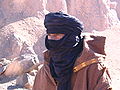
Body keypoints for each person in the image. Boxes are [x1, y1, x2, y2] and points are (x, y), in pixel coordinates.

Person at [32, 12, 112, 90]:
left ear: (71, 37)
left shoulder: (93, 69)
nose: (52, 40)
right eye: (49, 35)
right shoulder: (46, 69)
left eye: (57, 35)